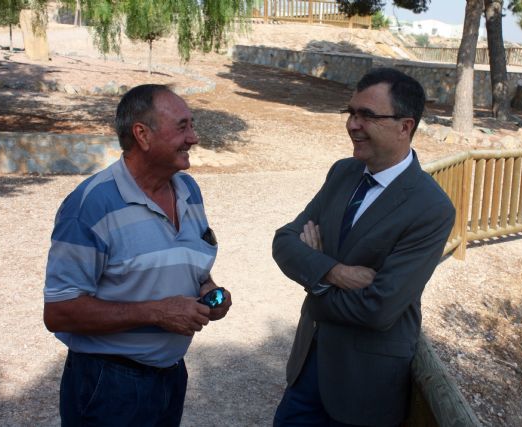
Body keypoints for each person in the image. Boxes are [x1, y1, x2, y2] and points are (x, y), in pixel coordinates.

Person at [272, 68, 455, 426]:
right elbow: (285, 242)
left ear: (405, 126)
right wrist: (333, 272)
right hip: (308, 369)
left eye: (367, 115)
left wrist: (314, 281)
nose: (353, 124)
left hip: (363, 390)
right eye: (351, 112)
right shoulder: (343, 172)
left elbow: (379, 308)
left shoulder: (431, 208)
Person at [43, 84, 231, 426]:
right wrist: (157, 312)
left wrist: (208, 291)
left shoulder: (188, 189)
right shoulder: (91, 205)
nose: (194, 137)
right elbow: (59, 312)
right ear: (142, 135)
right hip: (110, 384)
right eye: (183, 127)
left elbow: (193, 266)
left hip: (171, 375)